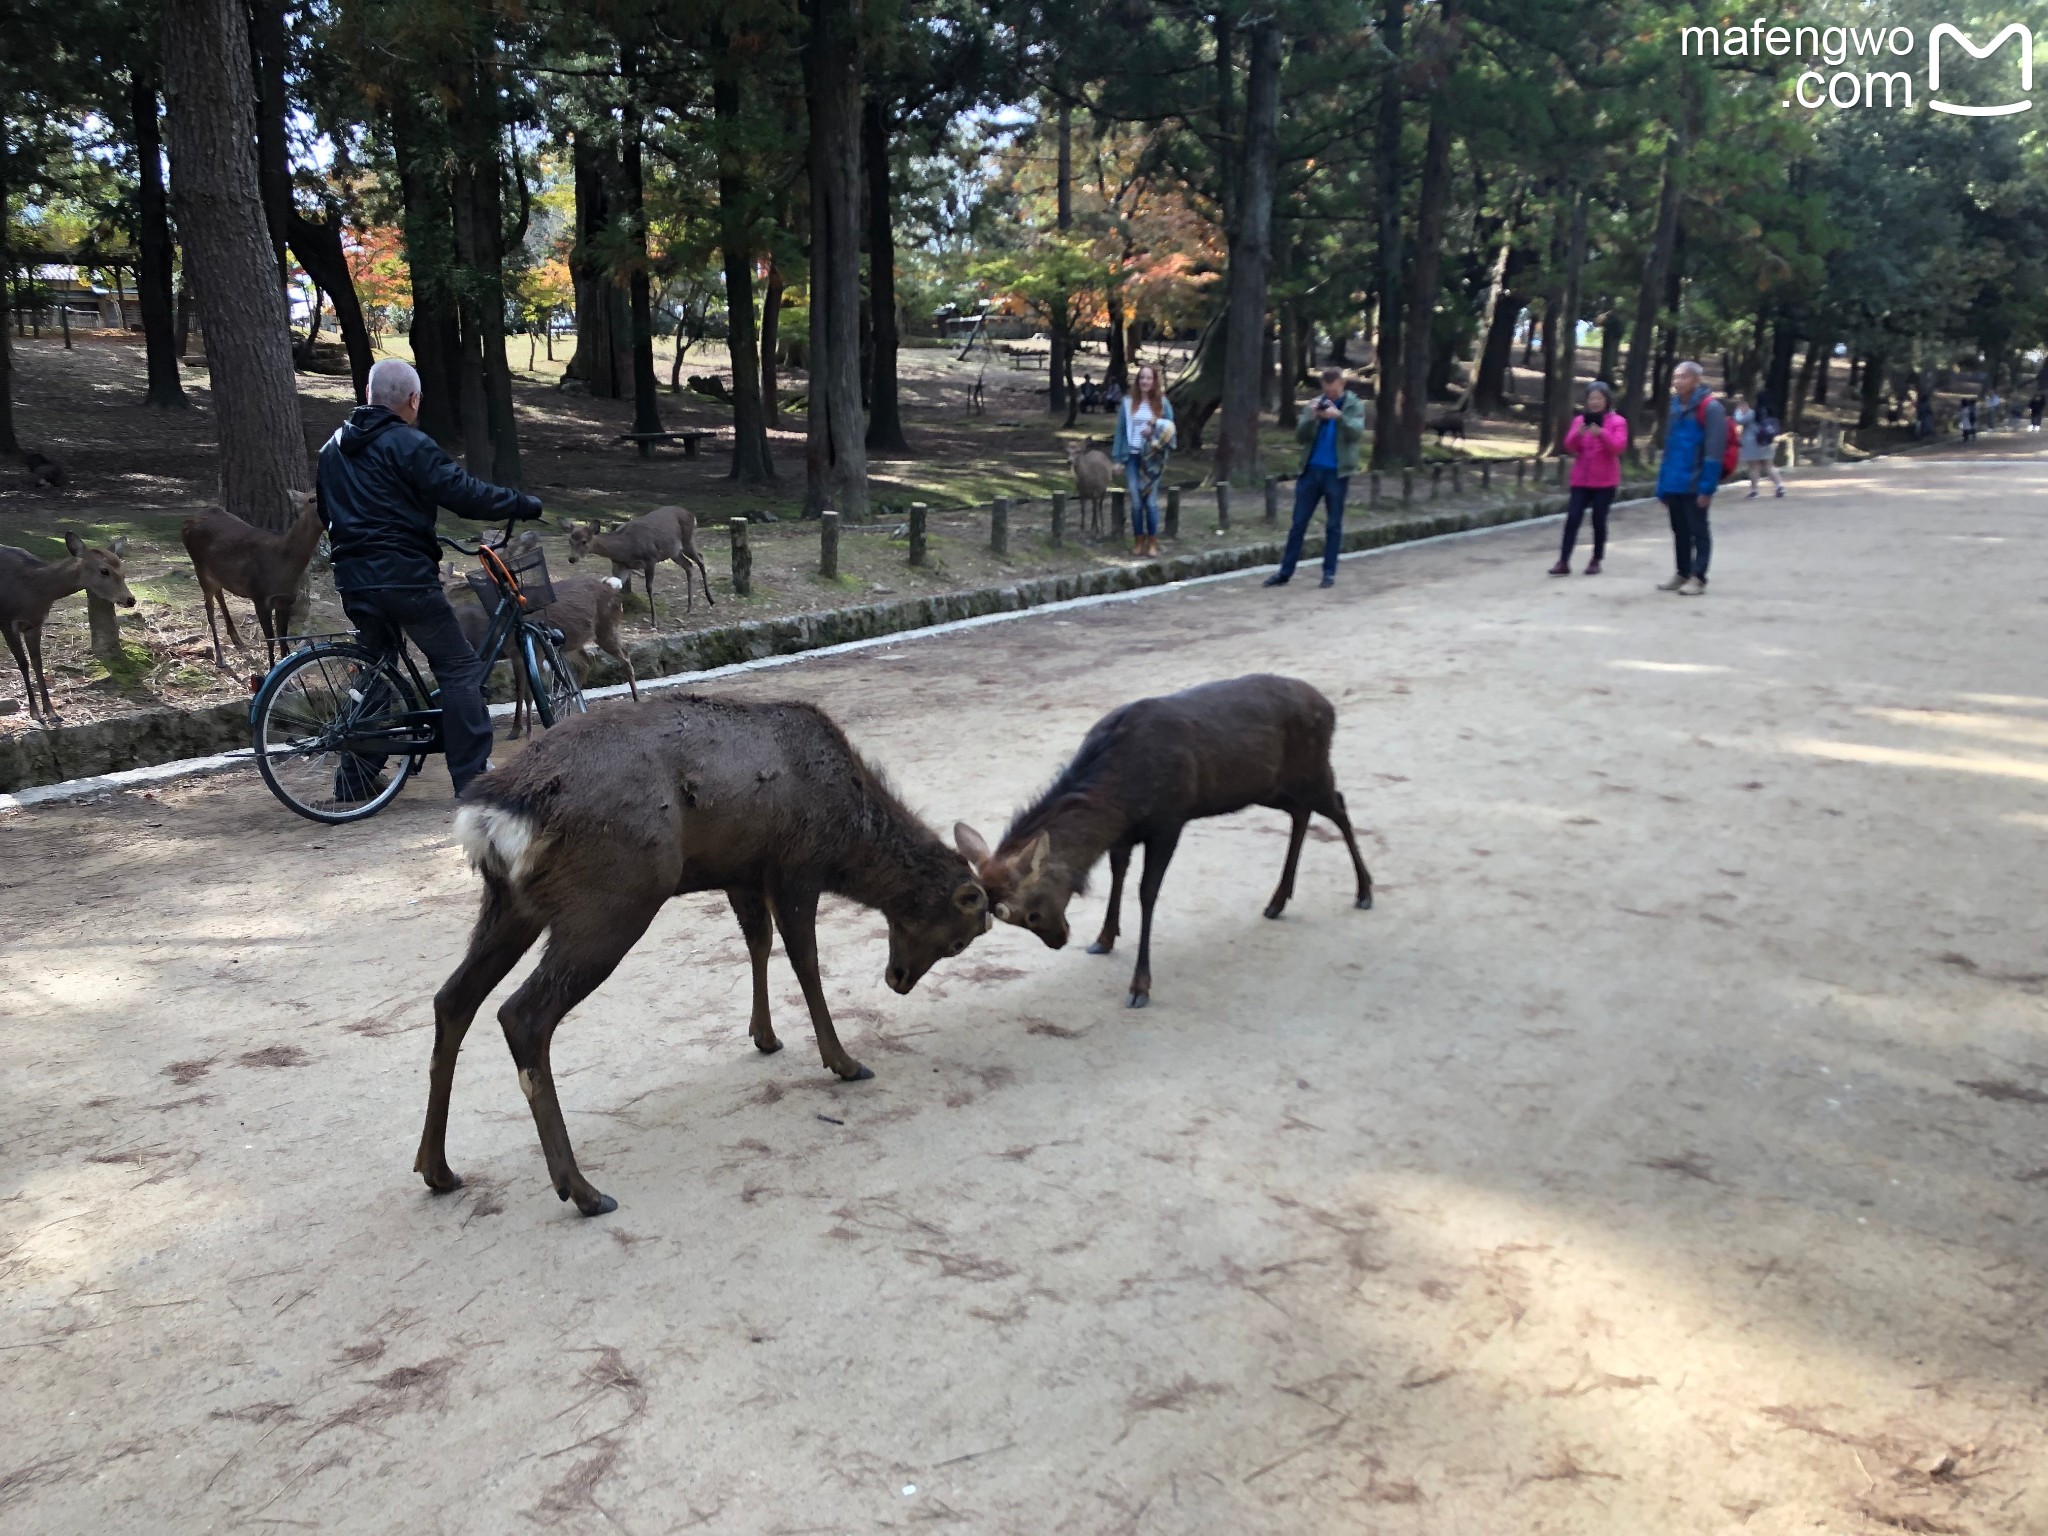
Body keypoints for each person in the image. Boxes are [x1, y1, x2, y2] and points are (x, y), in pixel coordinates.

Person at [318, 357, 544, 799]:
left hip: (353, 578)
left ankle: (355, 777)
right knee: (459, 667)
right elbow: (463, 494)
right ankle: (473, 778)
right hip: (405, 577)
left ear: (368, 396)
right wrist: (520, 503)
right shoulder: (409, 444)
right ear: (413, 399)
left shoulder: (332, 448)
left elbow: (328, 513)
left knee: (374, 670)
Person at [1266, 367, 1365, 589]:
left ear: (1342, 385)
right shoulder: (1315, 404)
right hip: (1311, 471)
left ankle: (1329, 573)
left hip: (1337, 472)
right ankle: (1285, 572)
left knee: (1333, 525)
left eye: (1334, 390)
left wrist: (1338, 417)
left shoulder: (1353, 405)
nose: (1330, 395)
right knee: (1298, 523)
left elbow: (1356, 433)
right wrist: (1311, 418)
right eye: (1327, 390)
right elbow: (1300, 437)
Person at [1654, 360, 1725, 597]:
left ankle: (1699, 576)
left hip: (1695, 481)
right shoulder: (1674, 407)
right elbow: (1669, 447)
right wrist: (1662, 486)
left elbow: (1714, 451)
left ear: (1697, 380)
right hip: (1675, 480)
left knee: (1698, 530)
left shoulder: (1711, 408)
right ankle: (1682, 572)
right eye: (1675, 377)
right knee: (1679, 530)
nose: (1678, 381)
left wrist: (1707, 487)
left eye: (1684, 377)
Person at [1550, 380, 1628, 575]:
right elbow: (1569, 447)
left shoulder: (1618, 422)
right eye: (1591, 398)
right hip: (1581, 480)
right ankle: (1563, 561)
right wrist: (1578, 434)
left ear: (1607, 400)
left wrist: (1601, 433)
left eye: (1599, 398)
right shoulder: (1580, 421)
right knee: (1573, 519)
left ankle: (1596, 559)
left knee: (1598, 520)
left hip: (1605, 481)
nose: (1595, 402)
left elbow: (1618, 447)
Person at [1111, 364, 1174, 556]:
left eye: (1148, 378)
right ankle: (1139, 539)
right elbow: (1121, 431)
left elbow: (1171, 429)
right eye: (1141, 378)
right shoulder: (1127, 403)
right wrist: (1118, 459)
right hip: (1132, 457)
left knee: (1151, 502)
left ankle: (1152, 540)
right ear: (1137, 381)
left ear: (1155, 381)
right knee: (1137, 501)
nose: (1145, 381)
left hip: (1153, 459)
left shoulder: (1163, 403)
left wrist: (1154, 429)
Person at [1732, 392, 1787, 496]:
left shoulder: (1752, 413)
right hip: (1766, 442)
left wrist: (1738, 411)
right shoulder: (1771, 413)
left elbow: (1739, 420)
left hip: (1752, 443)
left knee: (1754, 467)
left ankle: (1754, 491)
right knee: (1769, 466)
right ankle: (1779, 486)